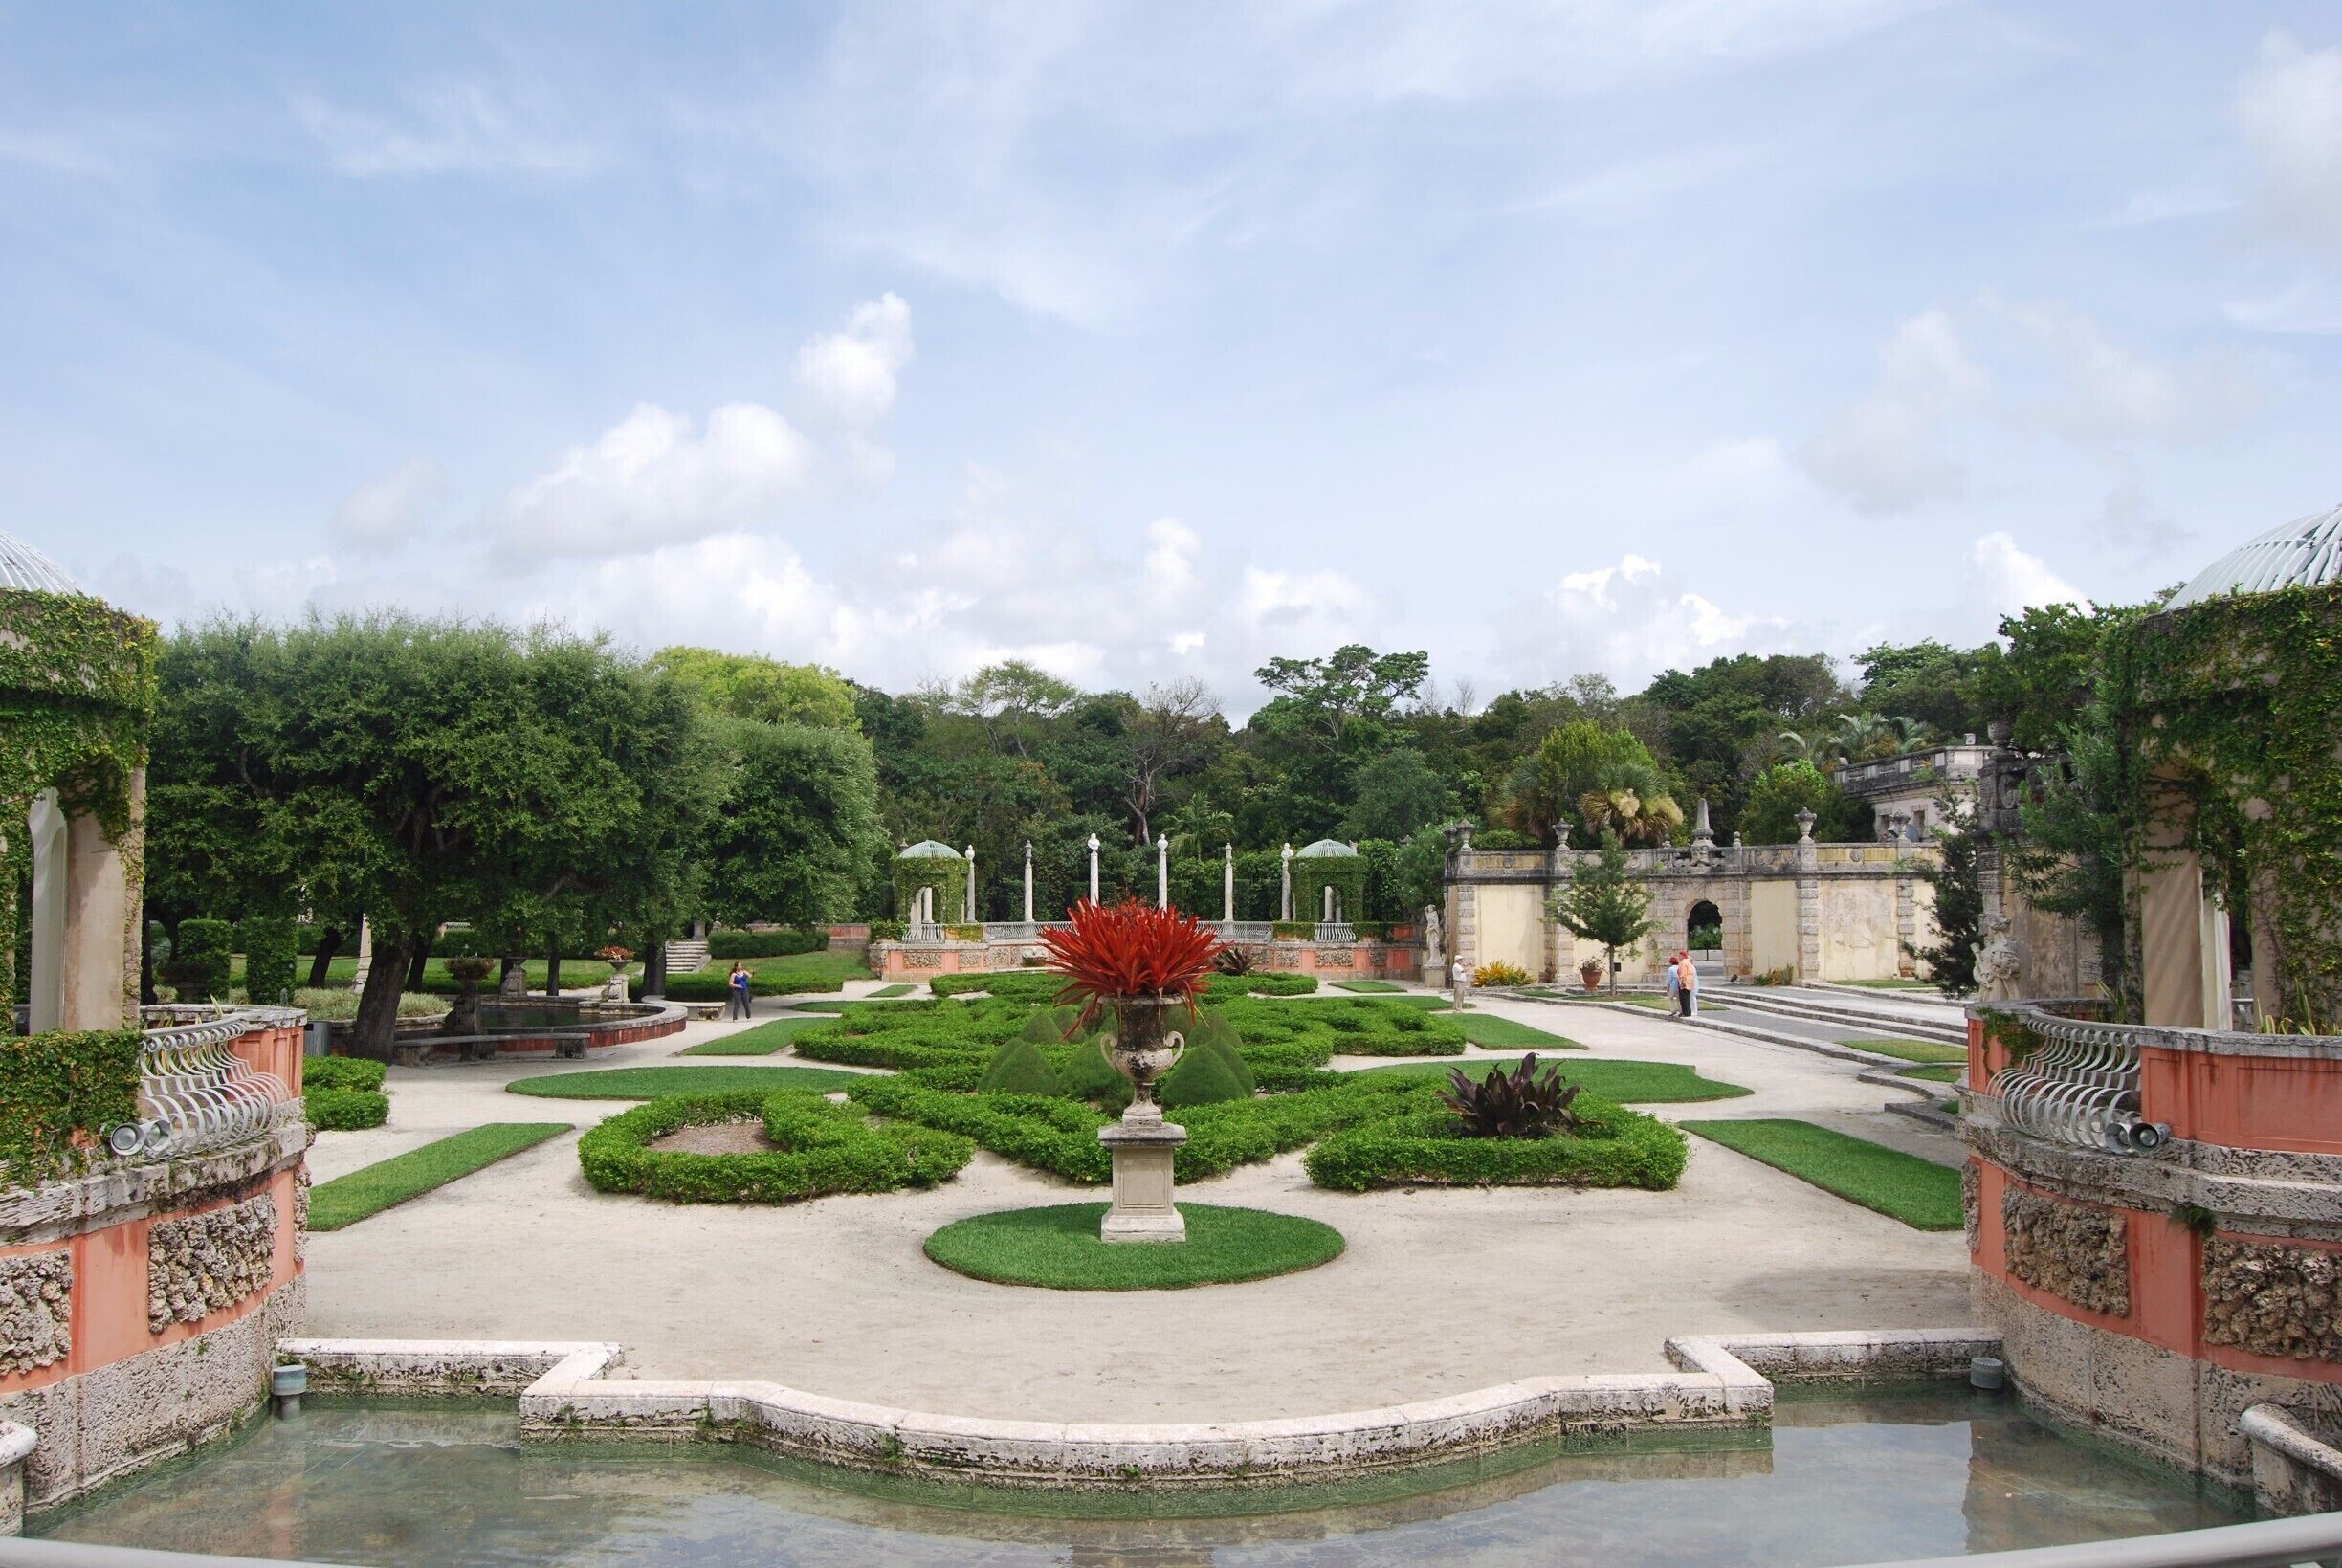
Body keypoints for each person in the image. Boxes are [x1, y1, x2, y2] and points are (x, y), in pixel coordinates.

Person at [1676, 950, 1699, 1019]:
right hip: (1689, 981)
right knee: (1686, 997)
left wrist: (1681, 982)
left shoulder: (1683, 962)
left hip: (1684, 981)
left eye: (1680, 955)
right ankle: (1688, 1012)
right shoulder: (1688, 962)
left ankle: (1685, 1012)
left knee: (1683, 998)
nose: (1679, 956)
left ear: (1682, 956)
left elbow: (1682, 973)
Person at [1664, 952, 1682, 1018]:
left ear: (1671, 962)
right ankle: (1681, 1011)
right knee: (1679, 999)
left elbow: (1669, 980)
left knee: (1670, 998)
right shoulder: (1679, 967)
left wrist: (1667, 988)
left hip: (1673, 986)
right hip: (1679, 985)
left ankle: (1673, 1010)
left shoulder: (1670, 969)